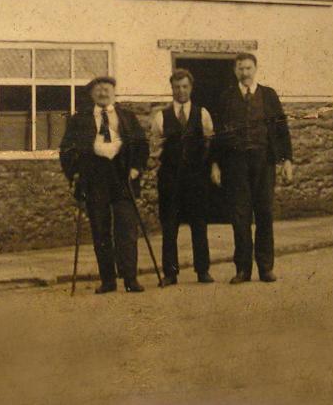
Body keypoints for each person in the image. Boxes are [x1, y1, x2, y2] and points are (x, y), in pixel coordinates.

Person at [60, 76, 150, 294]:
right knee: (100, 230)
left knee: (126, 229)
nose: (103, 93)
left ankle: (130, 279)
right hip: (94, 178)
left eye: (107, 88)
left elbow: (141, 145)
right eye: (98, 89)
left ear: (114, 92)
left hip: (122, 177)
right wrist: (75, 173)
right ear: (91, 94)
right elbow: (66, 149)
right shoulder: (79, 120)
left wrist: (136, 169)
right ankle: (108, 281)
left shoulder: (127, 117)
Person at [212, 53, 294, 284]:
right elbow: (219, 134)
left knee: (265, 214)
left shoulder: (269, 95)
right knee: (240, 216)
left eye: (248, 68)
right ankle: (242, 270)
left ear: (255, 69)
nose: (245, 73)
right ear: (235, 71)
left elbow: (281, 129)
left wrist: (287, 159)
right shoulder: (227, 97)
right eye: (241, 69)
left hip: (264, 162)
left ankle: (266, 268)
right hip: (235, 163)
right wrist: (216, 163)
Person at [151, 68, 215, 285]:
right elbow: (155, 149)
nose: (181, 91)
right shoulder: (161, 117)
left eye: (185, 86)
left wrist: (201, 166)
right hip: (170, 179)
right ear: (171, 89)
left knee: (199, 225)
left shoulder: (202, 114)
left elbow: (209, 143)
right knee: (169, 227)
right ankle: (170, 273)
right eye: (177, 87)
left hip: (196, 179)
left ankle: (203, 270)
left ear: (191, 88)